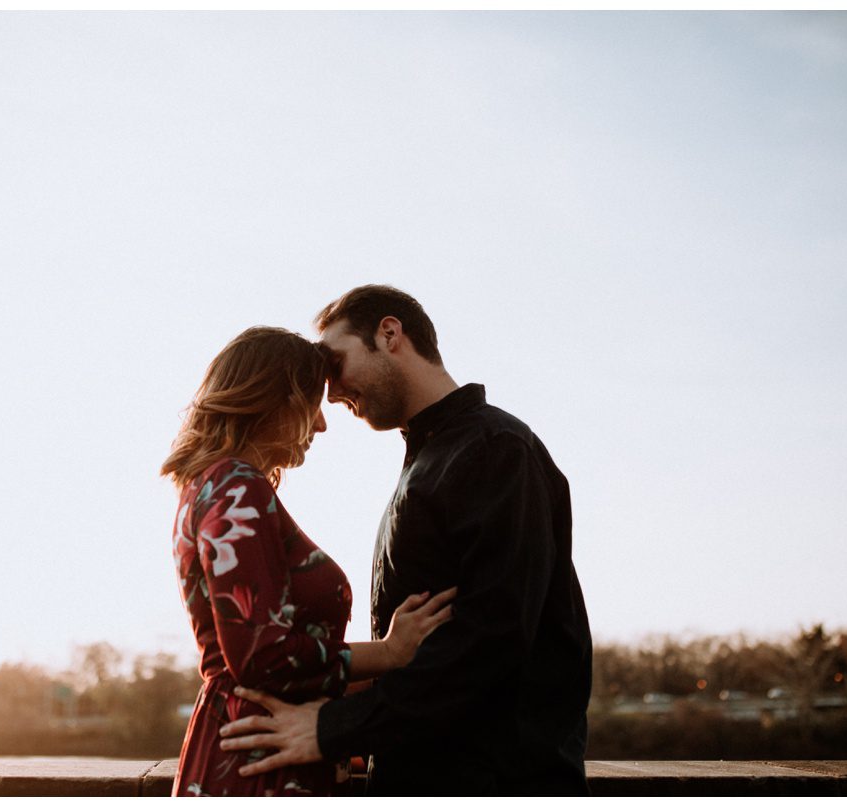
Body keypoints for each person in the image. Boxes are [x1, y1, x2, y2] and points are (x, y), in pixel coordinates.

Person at [217, 287, 593, 795]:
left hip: (495, 783)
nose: (328, 394)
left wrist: (332, 728)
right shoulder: (431, 460)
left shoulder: (496, 450)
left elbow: (492, 642)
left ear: (389, 335)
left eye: (335, 363)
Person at [161, 325, 456, 797]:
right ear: (274, 398)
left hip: (261, 745)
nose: (320, 424)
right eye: (312, 403)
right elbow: (263, 655)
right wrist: (390, 652)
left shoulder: (209, 486)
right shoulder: (237, 486)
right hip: (262, 765)